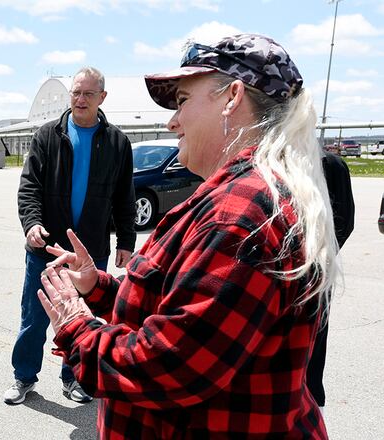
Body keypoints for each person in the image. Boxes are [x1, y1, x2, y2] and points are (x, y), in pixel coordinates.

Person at [36, 34, 339, 438]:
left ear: (232, 97)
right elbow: (180, 306)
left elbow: (167, 365)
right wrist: (98, 287)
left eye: (181, 101)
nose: (171, 121)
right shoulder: (240, 194)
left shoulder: (240, 214)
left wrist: (76, 326)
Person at [4, 66, 137, 405]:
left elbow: (125, 196)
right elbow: (29, 187)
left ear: (101, 98)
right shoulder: (48, 136)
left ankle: (74, 379)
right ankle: (24, 378)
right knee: (34, 316)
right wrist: (32, 223)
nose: (80, 99)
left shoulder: (117, 142)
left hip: (90, 252)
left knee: (81, 316)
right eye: (76, 92)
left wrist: (126, 241)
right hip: (46, 248)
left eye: (88, 94)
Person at [306, 150, 354, 410]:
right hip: (277, 266)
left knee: (314, 332)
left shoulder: (330, 164)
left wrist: (321, 256)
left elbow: (345, 219)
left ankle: (312, 398)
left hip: (315, 268)